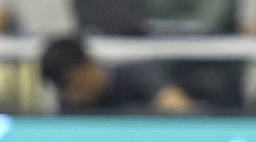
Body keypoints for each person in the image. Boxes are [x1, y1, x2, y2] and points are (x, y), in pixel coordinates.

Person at [124, 0, 245, 108]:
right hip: (157, 67)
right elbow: (128, 17)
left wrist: (155, 28)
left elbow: (207, 22)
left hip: (207, 66)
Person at [41, 33, 197, 111]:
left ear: (88, 66)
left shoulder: (135, 75)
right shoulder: (71, 108)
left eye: (73, 84)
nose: (71, 97)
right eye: (62, 90)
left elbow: (178, 105)